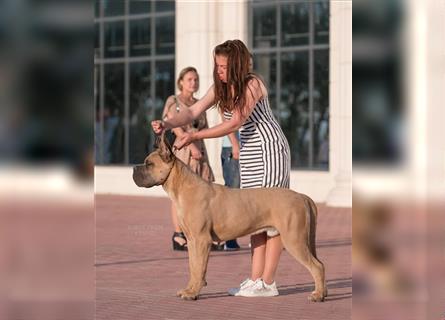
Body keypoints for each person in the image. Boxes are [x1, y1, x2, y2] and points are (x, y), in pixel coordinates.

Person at [152, 40, 291, 297]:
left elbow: (234, 123)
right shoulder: (220, 88)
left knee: (274, 217)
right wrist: (167, 123)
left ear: (237, 64)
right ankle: (254, 279)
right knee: (254, 217)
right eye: (216, 65)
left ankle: (268, 282)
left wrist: (195, 137)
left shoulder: (253, 84)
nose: (219, 71)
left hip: (270, 150)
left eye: (223, 66)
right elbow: (192, 111)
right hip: (249, 153)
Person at [161, 66, 215, 251]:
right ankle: (178, 236)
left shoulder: (200, 103)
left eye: (196, 79)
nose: (194, 82)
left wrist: (199, 144)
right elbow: (175, 127)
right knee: (179, 195)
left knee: (200, 192)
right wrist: (191, 145)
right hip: (183, 148)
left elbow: (205, 128)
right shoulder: (173, 101)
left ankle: (198, 233)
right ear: (181, 81)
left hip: (199, 150)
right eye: (190, 79)